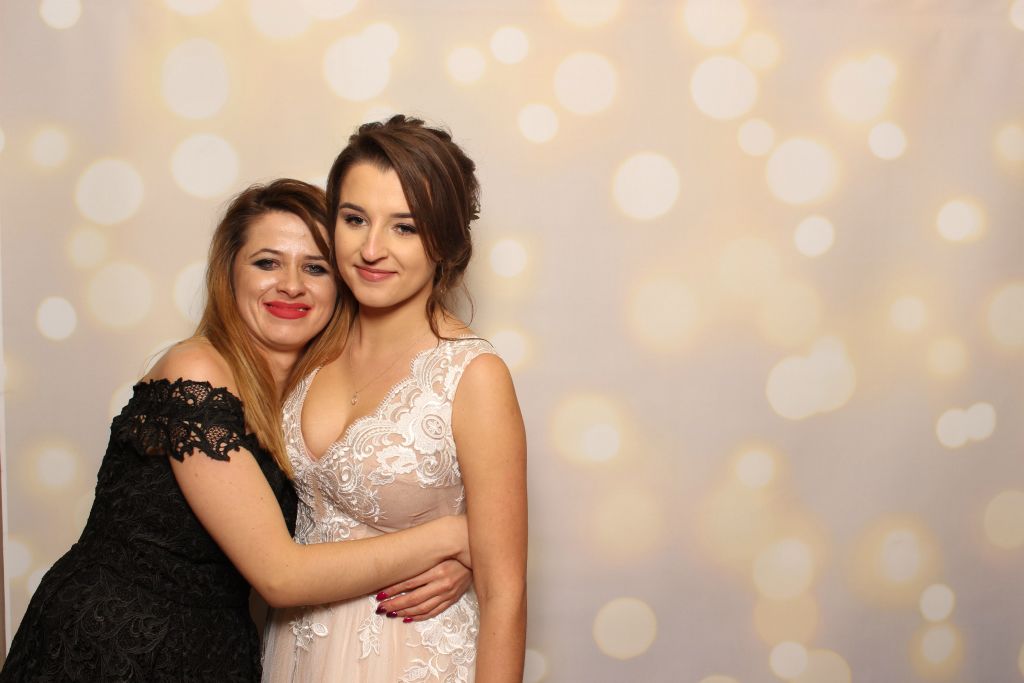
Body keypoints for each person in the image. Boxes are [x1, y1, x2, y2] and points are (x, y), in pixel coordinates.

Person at [0, 179, 472, 682]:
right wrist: (458, 535)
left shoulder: (313, 398)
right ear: (229, 274)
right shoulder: (196, 372)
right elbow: (281, 575)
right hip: (112, 650)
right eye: (267, 263)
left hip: (213, 651)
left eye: (316, 268)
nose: (291, 285)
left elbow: (345, 525)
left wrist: (455, 565)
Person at [261, 116, 527, 682]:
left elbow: (505, 595)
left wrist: (470, 550)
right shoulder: (308, 339)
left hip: (413, 657)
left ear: (444, 241)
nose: (372, 249)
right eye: (355, 219)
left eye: (404, 227)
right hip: (298, 653)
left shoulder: (472, 375)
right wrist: (451, 539)